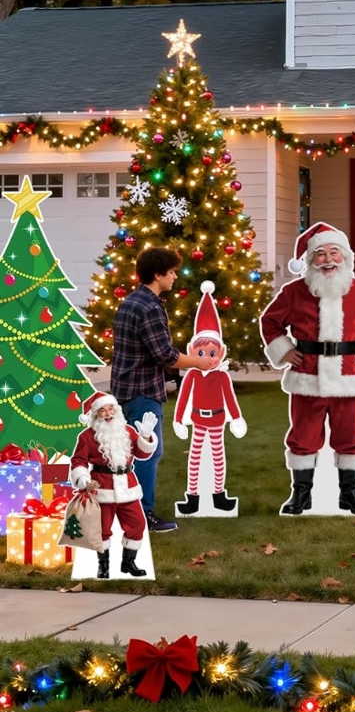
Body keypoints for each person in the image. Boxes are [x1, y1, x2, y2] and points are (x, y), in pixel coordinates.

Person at [260, 223, 355, 516]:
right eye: (320, 254)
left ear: (345, 257)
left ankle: (350, 493)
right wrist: (285, 350)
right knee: (303, 435)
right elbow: (270, 322)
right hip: (308, 375)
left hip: (349, 376)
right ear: (310, 260)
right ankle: (300, 494)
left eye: (334, 252)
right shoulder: (294, 292)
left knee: (350, 435)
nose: (328, 259)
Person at [111, 247, 216, 533]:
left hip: (125, 389)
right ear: (157, 274)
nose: (174, 277)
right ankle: (142, 517)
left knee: (130, 453)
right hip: (143, 391)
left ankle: (125, 511)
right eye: (170, 272)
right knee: (147, 453)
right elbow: (165, 355)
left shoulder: (131, 301)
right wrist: (201, 362)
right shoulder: (149, 308)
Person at [173, 282, 247, 516]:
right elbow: (183, 398)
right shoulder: (192, 375)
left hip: (217, 421)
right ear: (191, 351)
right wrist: (178, 420)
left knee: (218, 456)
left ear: (221, 353)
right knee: (194, 457)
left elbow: (230, 399)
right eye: (201, 353)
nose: (207, 358)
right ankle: (192, 497)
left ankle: (218, 495)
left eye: (212, 353)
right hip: (198, 420)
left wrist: (236, 418)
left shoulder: (221, 376)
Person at [69, 391, 158, 578]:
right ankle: (104, 565)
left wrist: (147, 437)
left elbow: (142, 455)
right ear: (96, 415)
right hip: (101, 487)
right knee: (102, 528)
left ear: (116, 410)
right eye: (102, 411)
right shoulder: (86, 437)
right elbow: (78, 462)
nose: (108, 414)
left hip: (128, 487)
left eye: (111, 409)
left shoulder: (128, 432)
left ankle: (128, 563)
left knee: (137, 523)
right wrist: (83, 479)